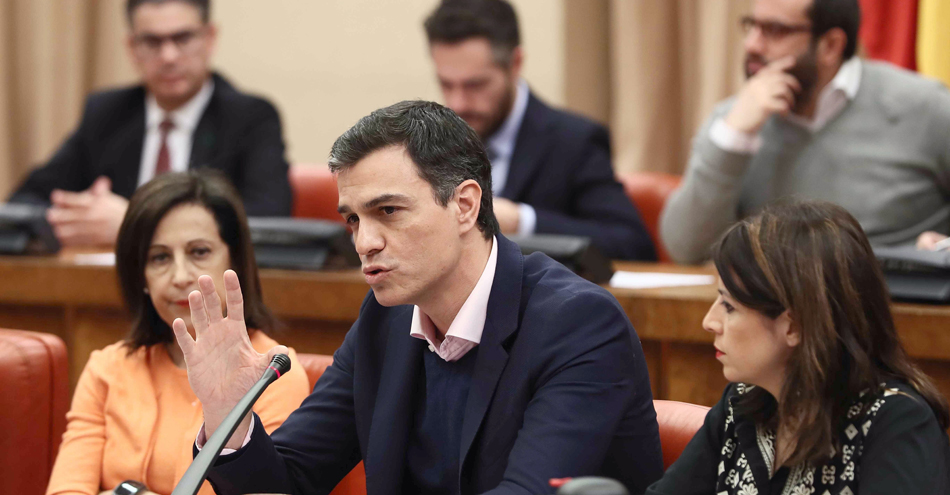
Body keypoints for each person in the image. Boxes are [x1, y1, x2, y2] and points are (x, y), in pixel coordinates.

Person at [174, 101, 664, 495]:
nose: (365, 242)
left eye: (388, 211)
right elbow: (291, 480)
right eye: (353, 219)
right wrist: (229, 416)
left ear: (465, 205)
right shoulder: (385, 321)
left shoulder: (577, 324)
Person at [646, 200, 950, 494]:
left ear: (794, 325)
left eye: (728, 305)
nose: (709, 322)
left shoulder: (896, 422)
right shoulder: (742, 403)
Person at [45, 171, 309, 495]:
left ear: (235, 260)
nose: (180, 276)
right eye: (160, 257)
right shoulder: (107, 368)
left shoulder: (273, 372)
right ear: (141, 277)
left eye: (199, 252)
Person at [659, 0, 950, 264]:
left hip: (900, 312)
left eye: (775, 30)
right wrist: (732, 140)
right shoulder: (737, 121)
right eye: (752, 26)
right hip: (777, 315)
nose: (752, 45)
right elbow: (685, 249)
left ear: (830, 46)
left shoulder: (926, 108)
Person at [10, 0, 293, 249]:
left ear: (210, 38)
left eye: (182, 38)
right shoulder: (106, 113)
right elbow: (26, 202)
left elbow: (266, 221)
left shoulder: (250, 118)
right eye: (152, 42)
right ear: (132, 48)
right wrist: (75, 218)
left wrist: (135, 223)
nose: (168, 56)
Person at [423, 0, 655, 260]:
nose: (457, 103)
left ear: (516, 63)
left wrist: (522, 222)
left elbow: (632, 244)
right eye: (446, 84)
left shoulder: (575, 141)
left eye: (475, 85)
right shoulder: (430, 143)